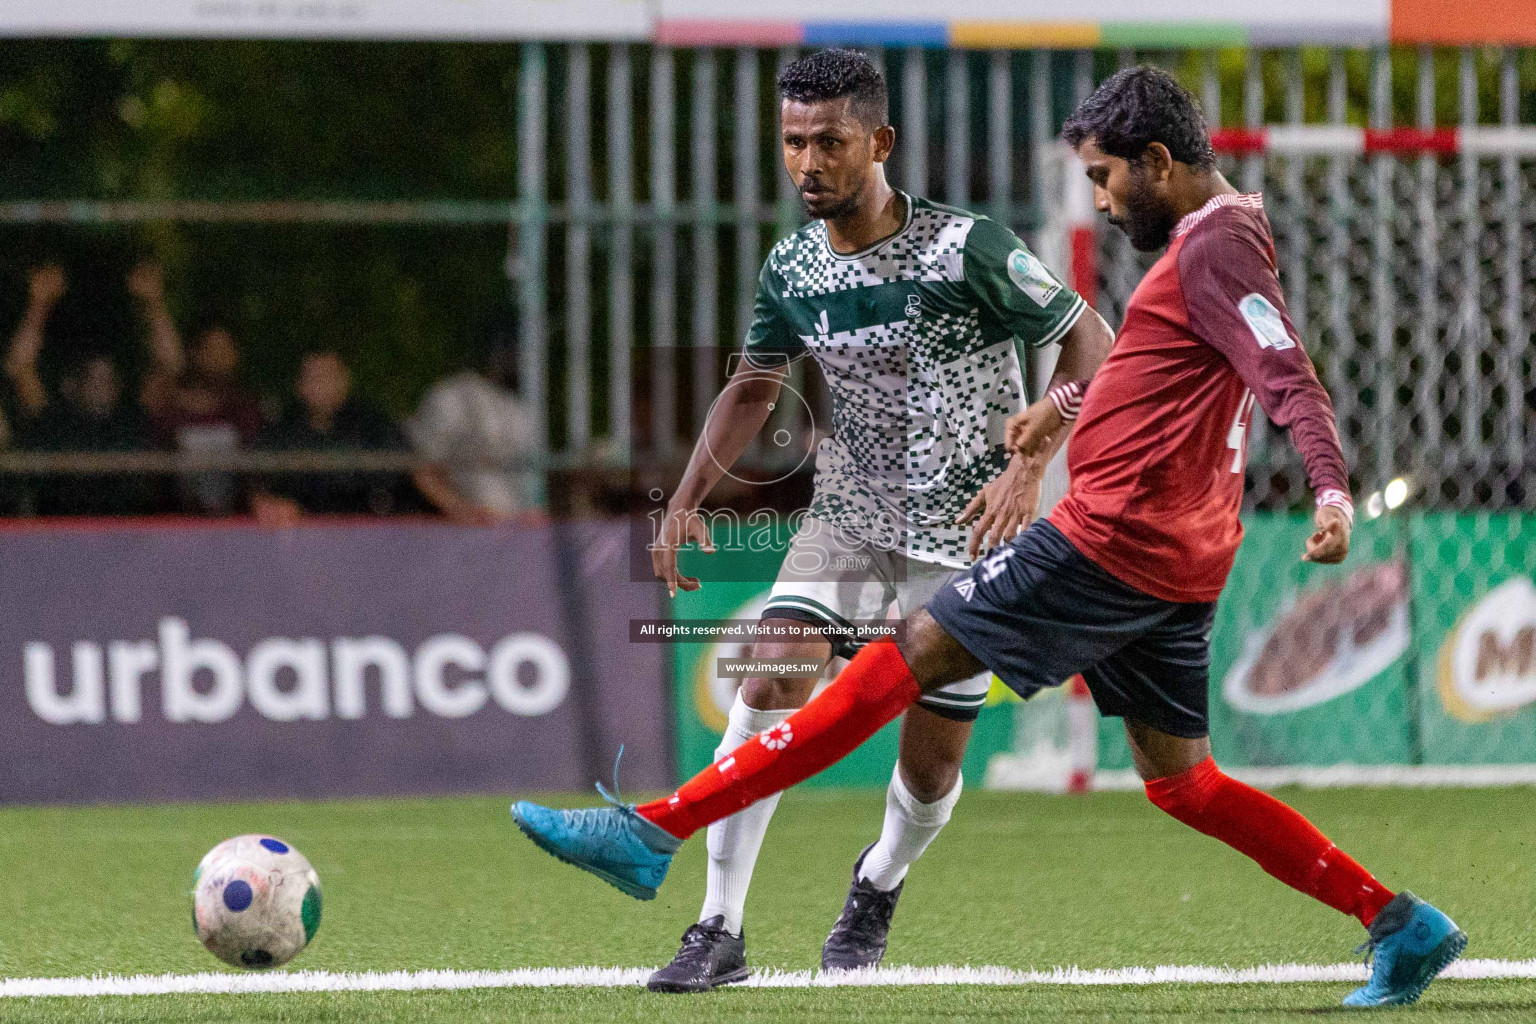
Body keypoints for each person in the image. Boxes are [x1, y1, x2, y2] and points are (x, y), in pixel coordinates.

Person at [511, 67, 1466, 1010]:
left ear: (1160, 161)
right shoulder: (1219, 238)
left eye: (1105, 176)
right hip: (1162, 555)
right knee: (1184, 783)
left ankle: (670, 833)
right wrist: (1055, 419)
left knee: (902, 672)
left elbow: (1281, 370)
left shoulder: (1196, 247)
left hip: (1098, 542)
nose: (1097, 196)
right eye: (793, 141)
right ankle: (1397, 920)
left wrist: (1331, 489)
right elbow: (1159, 377)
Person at [635, 49, 1113, 992]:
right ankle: (717, 927)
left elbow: (1090, 342)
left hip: (971, 535)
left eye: (830, 142)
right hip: (850, 521)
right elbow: (752, 384)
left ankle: (878, 881)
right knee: (769, 680)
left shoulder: (965, 247)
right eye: (791, 142)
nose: (808, 162)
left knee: (930, 769)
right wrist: (684, 502)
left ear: (879, 142)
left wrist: (1032, 461)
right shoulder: (793, 265)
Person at [4, 264, 157, 515]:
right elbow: (20, 367)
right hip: (61, 535)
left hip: (126, 536)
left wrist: (153, 306)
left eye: (108, 379)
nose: (101, 386)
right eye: (92, 379)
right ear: (70, 386)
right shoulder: (54, 419)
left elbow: (170, 365)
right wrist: (39, 306)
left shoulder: (130, 418)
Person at [132, 263, 263, 513]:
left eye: (226, 349)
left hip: (235, 530)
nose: (219, 357)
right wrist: (154, 304)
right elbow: (169, 363)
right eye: (211, 349)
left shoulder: (245, 407)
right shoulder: (168, 402)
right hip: (174, 526)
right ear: (195, 353)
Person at [406, 309, 546, 526]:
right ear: (497, 349)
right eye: (516, 348)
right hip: (460, 536)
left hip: (517, 538)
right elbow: (421, 471)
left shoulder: (523, 410)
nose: (524, 358)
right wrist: (459, 508)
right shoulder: (452, 396)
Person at [250, 350, 412, 523]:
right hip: (300, 532)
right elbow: (255, 477)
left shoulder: (373, 423)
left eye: (329, 377)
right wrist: (266, 502)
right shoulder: (283, 427)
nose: (323, 386)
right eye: (314, 378)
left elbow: (407, 471)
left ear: (345, 381)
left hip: (368, 527)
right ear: (300, 386)